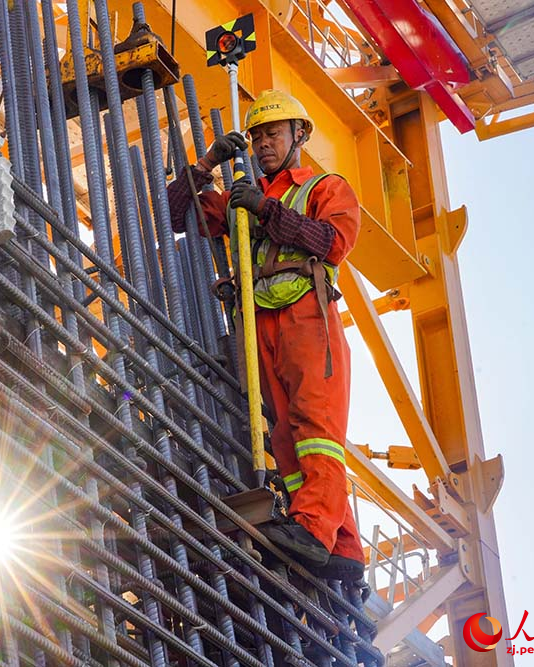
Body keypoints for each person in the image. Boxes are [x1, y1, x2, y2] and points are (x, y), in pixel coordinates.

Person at [166, 90, 365, 579]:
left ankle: (314, 529)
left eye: (272, 133)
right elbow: (177, 214)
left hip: (308, 316)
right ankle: (342, 547)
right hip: (258, 321)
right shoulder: (242, 197)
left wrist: (266, 211)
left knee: (315, 425)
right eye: (256, 137)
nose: (262, 143)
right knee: (283, 437)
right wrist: (210, 161)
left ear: (299, 134)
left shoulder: (324, 186)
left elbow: (333, 242)